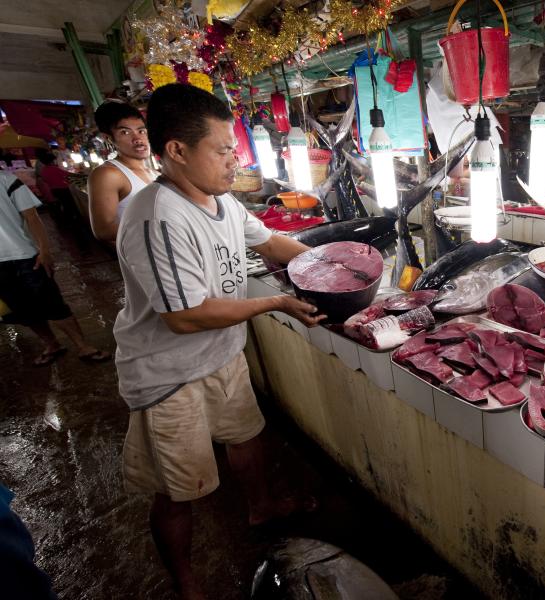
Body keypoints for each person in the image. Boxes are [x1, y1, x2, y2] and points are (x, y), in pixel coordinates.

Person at [114, 83, 323, 600]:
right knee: (178, 488)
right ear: (177, 151)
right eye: (222, 149)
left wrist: (327, 267)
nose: (236, 160)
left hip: (222, 353)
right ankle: (187, 583)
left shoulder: (220, 200)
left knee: (245, 435)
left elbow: (270, 241)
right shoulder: (156, 216)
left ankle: (263, 507)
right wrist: (274, 303)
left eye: (235, 147)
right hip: (170, 372)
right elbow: (185, 317)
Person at [0, 172, 111, 365]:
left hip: (24, 255)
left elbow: (31, 216)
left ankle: (82, 346)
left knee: (52, 303)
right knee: (23, 309)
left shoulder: (6, 180)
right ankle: (52, 344)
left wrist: (44, 250)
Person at [87, 101, 156, 243]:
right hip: (143, 259)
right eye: (125, 132)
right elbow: (103, 230)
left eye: (141, 131)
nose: (138, 139)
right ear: (108, 138)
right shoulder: (108, 174)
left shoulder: (154, 173)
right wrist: (166, 228)